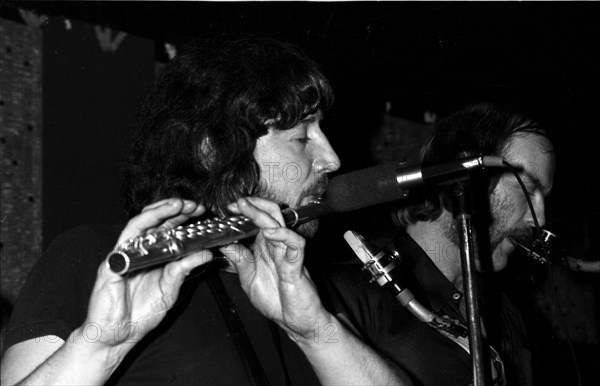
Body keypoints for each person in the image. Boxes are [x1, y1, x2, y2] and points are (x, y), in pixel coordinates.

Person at [0, 36, 411, 385]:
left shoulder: (306, 285)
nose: (332, 159)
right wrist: (99, 346)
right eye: (302, 137)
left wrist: (315, 331)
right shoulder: (94, 257)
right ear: (213, 149)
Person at [325, 102, 555, 386]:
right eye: (528, 189)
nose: (540, 218)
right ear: (464, 175)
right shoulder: (350, 292)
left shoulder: (507, 317)